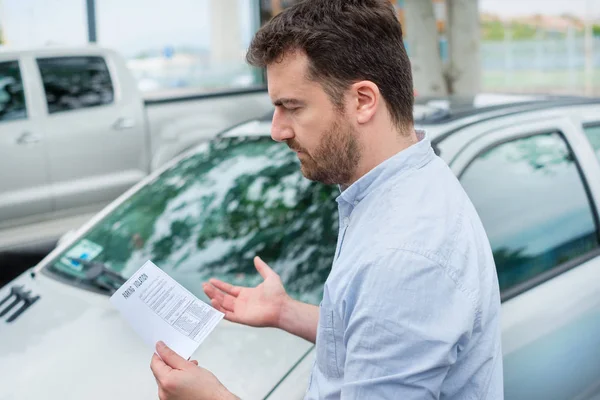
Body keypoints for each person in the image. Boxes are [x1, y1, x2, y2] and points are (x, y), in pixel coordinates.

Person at [149, 0, 504, 399]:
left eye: (292, 107)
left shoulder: (403, 255)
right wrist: (286, 312)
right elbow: (374, 338)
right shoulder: (402, 185)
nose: (277, 130)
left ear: (363, 100)